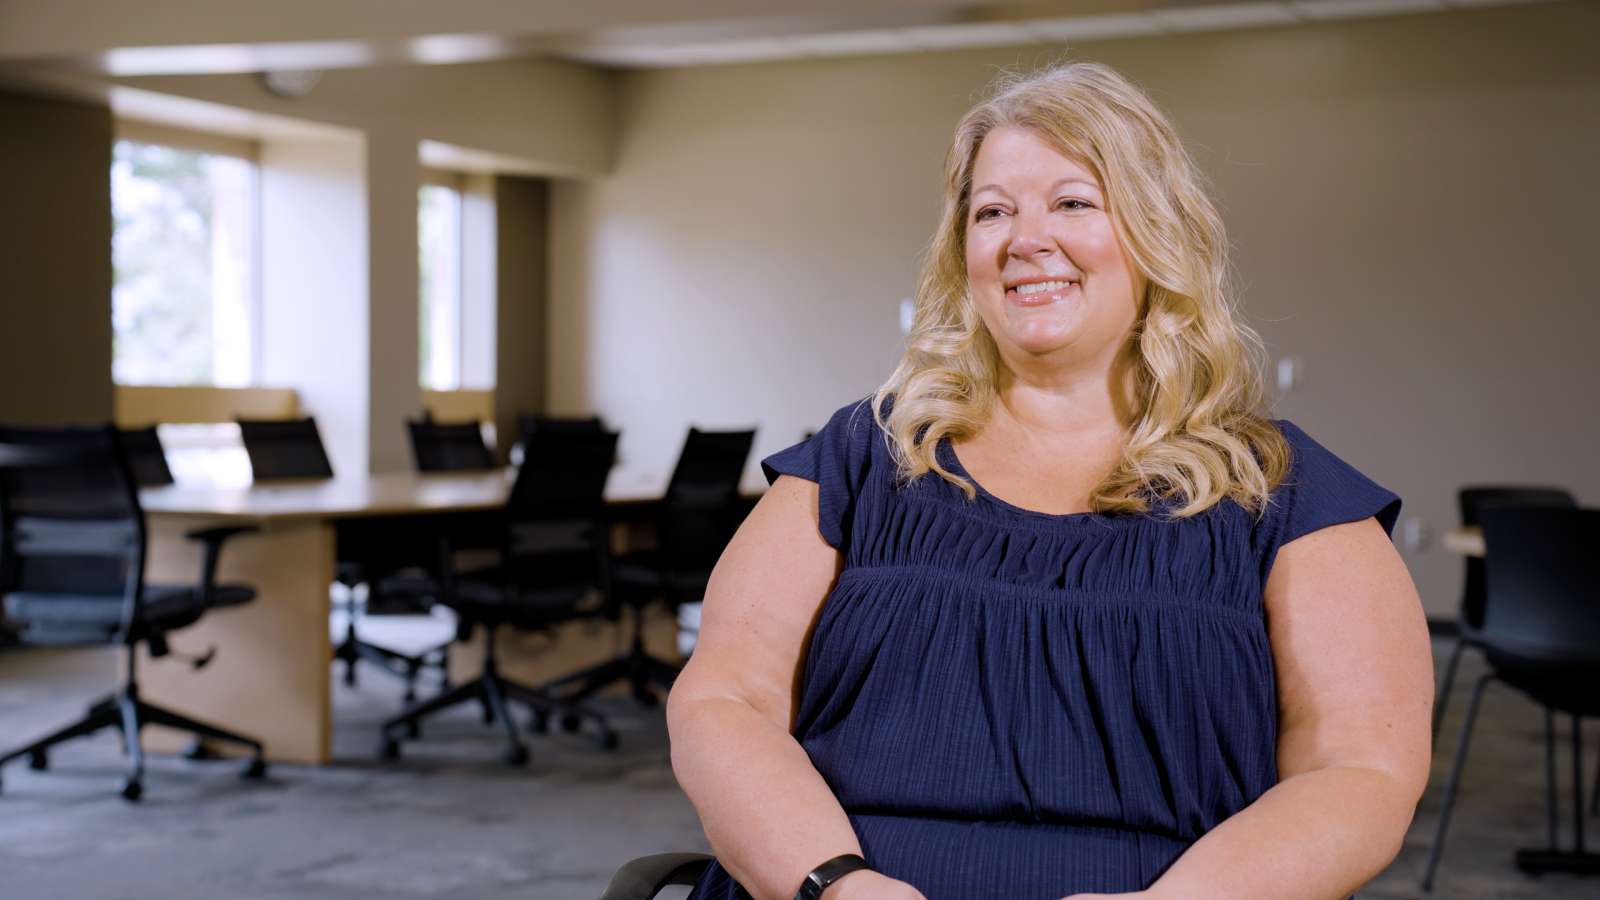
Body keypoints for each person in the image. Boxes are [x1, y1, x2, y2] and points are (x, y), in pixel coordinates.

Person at [667, 61, 1432, 900]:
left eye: (1072, 202)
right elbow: (724, 702)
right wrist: (837, 884)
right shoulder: (865, 455)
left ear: (1155, 229)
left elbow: (1361, 773)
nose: (1025, 239)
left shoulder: (1280, 492)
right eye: (993, 211)